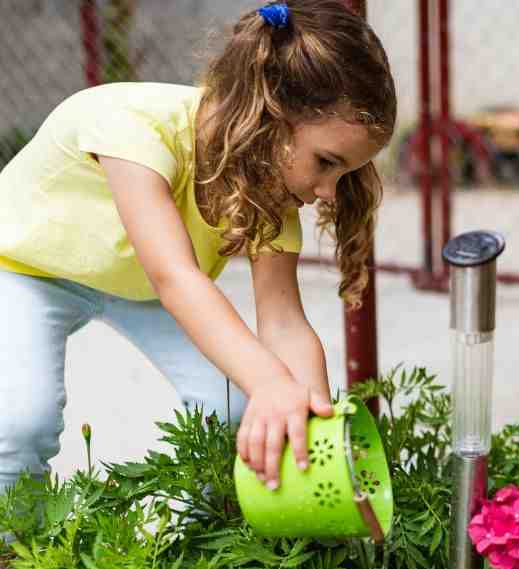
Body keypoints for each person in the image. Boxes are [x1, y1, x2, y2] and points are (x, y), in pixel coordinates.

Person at [0, 0, 395, 515]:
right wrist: (271, 382)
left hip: (136, 286)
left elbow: (282, 322)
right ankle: (12, 561)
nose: (326, 192)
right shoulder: (132, 127)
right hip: (28, 269)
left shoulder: (270, 182)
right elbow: (176, 277)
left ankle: (196, 539)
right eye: (326, 162)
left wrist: (312, 421)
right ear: (269, 113)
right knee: (20, 419)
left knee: (235, 408)